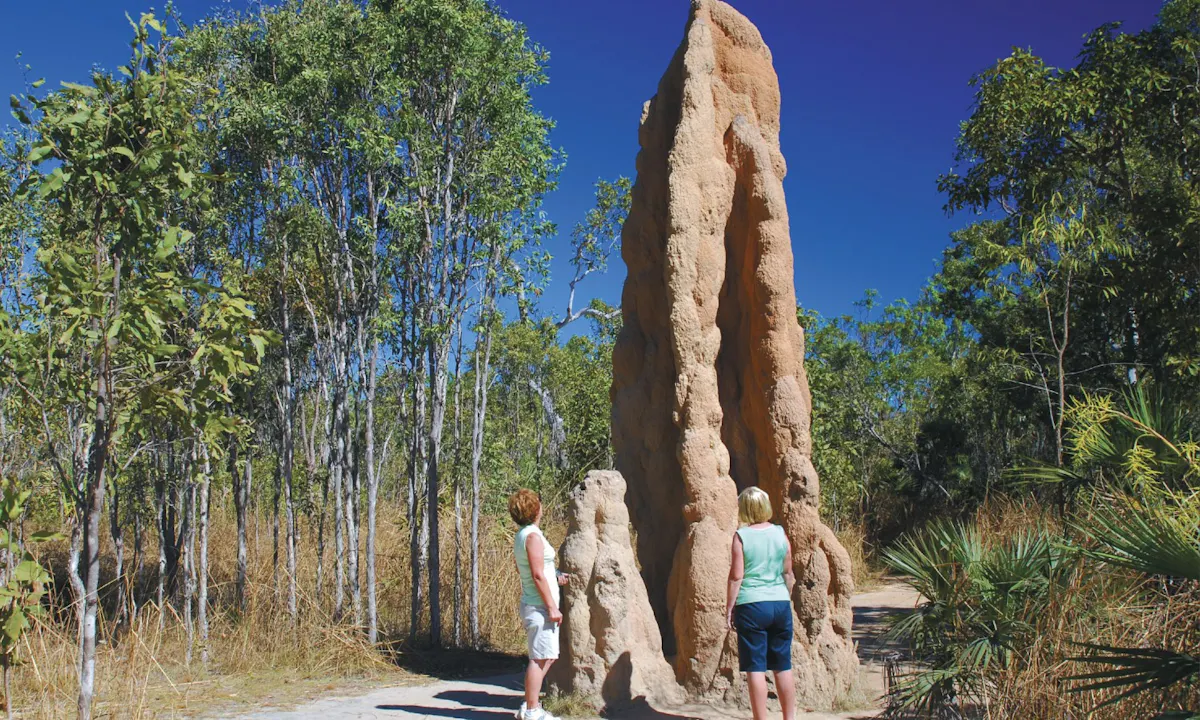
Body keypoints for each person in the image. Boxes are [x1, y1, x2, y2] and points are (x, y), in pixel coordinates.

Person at [725, 486, 797, 720]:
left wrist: (729, 608)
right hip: (780, 603)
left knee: (755, 667)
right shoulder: (780, 533)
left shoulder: (742, 536)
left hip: (752, 605)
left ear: (744, 509)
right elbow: (788, 572)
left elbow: (737, 576)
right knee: (782, 666)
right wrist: (784, 597)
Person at [510, 488, 569, 720]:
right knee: (539, 658)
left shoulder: (523, 534)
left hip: (535, 603)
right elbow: (536, 574)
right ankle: (532, 710)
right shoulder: (533, 536)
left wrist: (555, 576)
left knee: (548, 655)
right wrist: (551, 606)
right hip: (539, 606)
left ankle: (530, 706)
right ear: (536, 508)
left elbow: (530, 569)